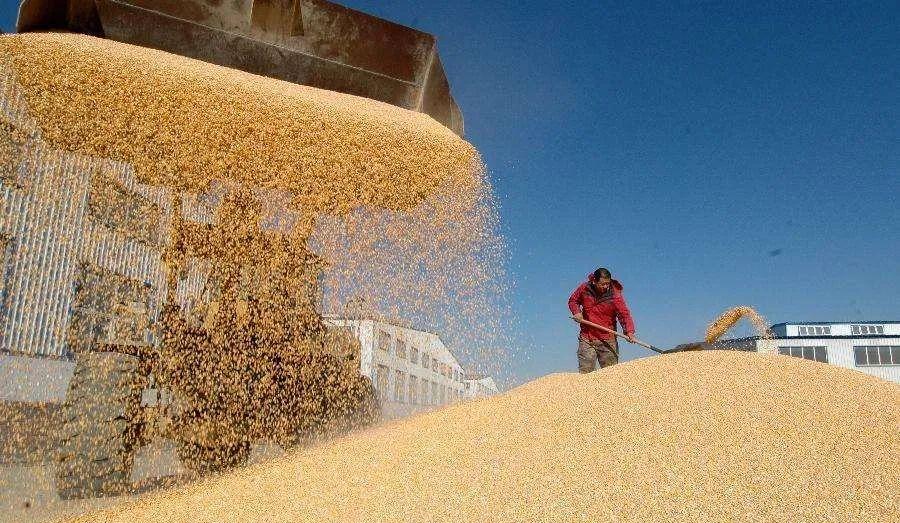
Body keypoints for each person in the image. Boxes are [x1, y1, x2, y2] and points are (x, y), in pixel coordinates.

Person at [567, 267, 636, 373]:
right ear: (594, 281)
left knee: (610, 374)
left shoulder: (615, 295)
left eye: (607, 283)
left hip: (607, 339)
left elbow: (624, 315)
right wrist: (576, 312)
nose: (606, 286)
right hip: (587, 338)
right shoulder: (584, 288)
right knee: (586, 375)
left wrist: (629, 331)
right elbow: (573, 300)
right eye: (603, 284)